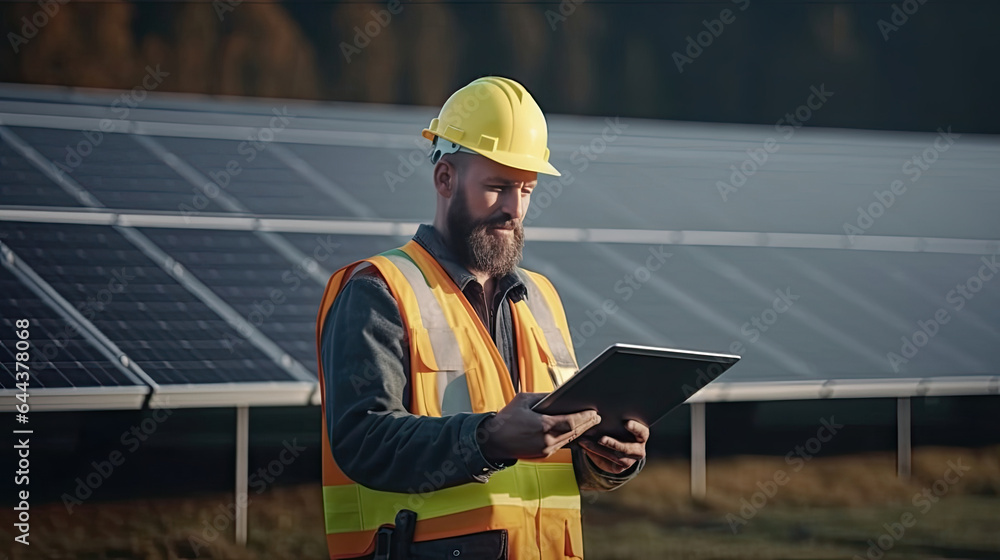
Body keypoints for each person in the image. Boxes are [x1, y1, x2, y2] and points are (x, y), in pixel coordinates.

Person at [315, 76, 648, 560]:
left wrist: (607, 459)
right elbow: (363, 440)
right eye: (497, 187)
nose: (514, 209)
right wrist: (487, 438)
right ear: (445, 177)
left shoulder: (540, 298)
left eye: (527, 190)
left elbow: (554, 463)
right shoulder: (378, 289)